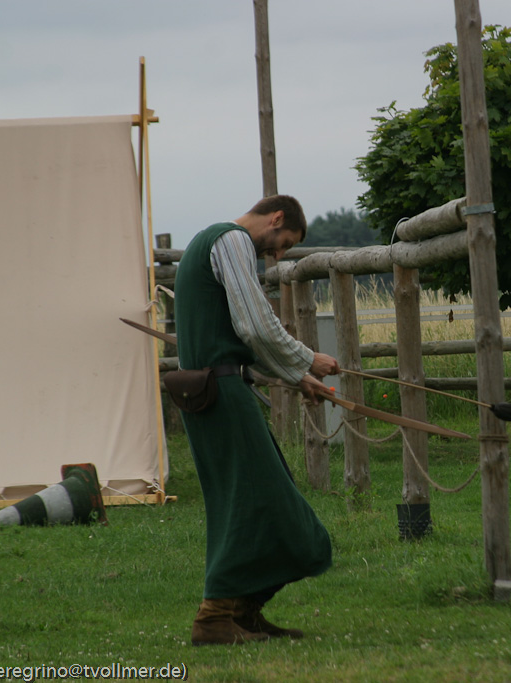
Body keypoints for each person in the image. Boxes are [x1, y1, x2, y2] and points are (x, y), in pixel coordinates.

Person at [173, 194, 339, 646]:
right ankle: (214, 617)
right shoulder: (231, 241)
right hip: (221, 394)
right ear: (276, 218)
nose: (278, 255)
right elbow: (256, 326)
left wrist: (298, 377)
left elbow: (237, 339)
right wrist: (308, 359)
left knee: (258, 500)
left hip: (210, 392)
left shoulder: (207, 242)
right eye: (284, 243)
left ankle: (242, 613)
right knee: (255, 504)